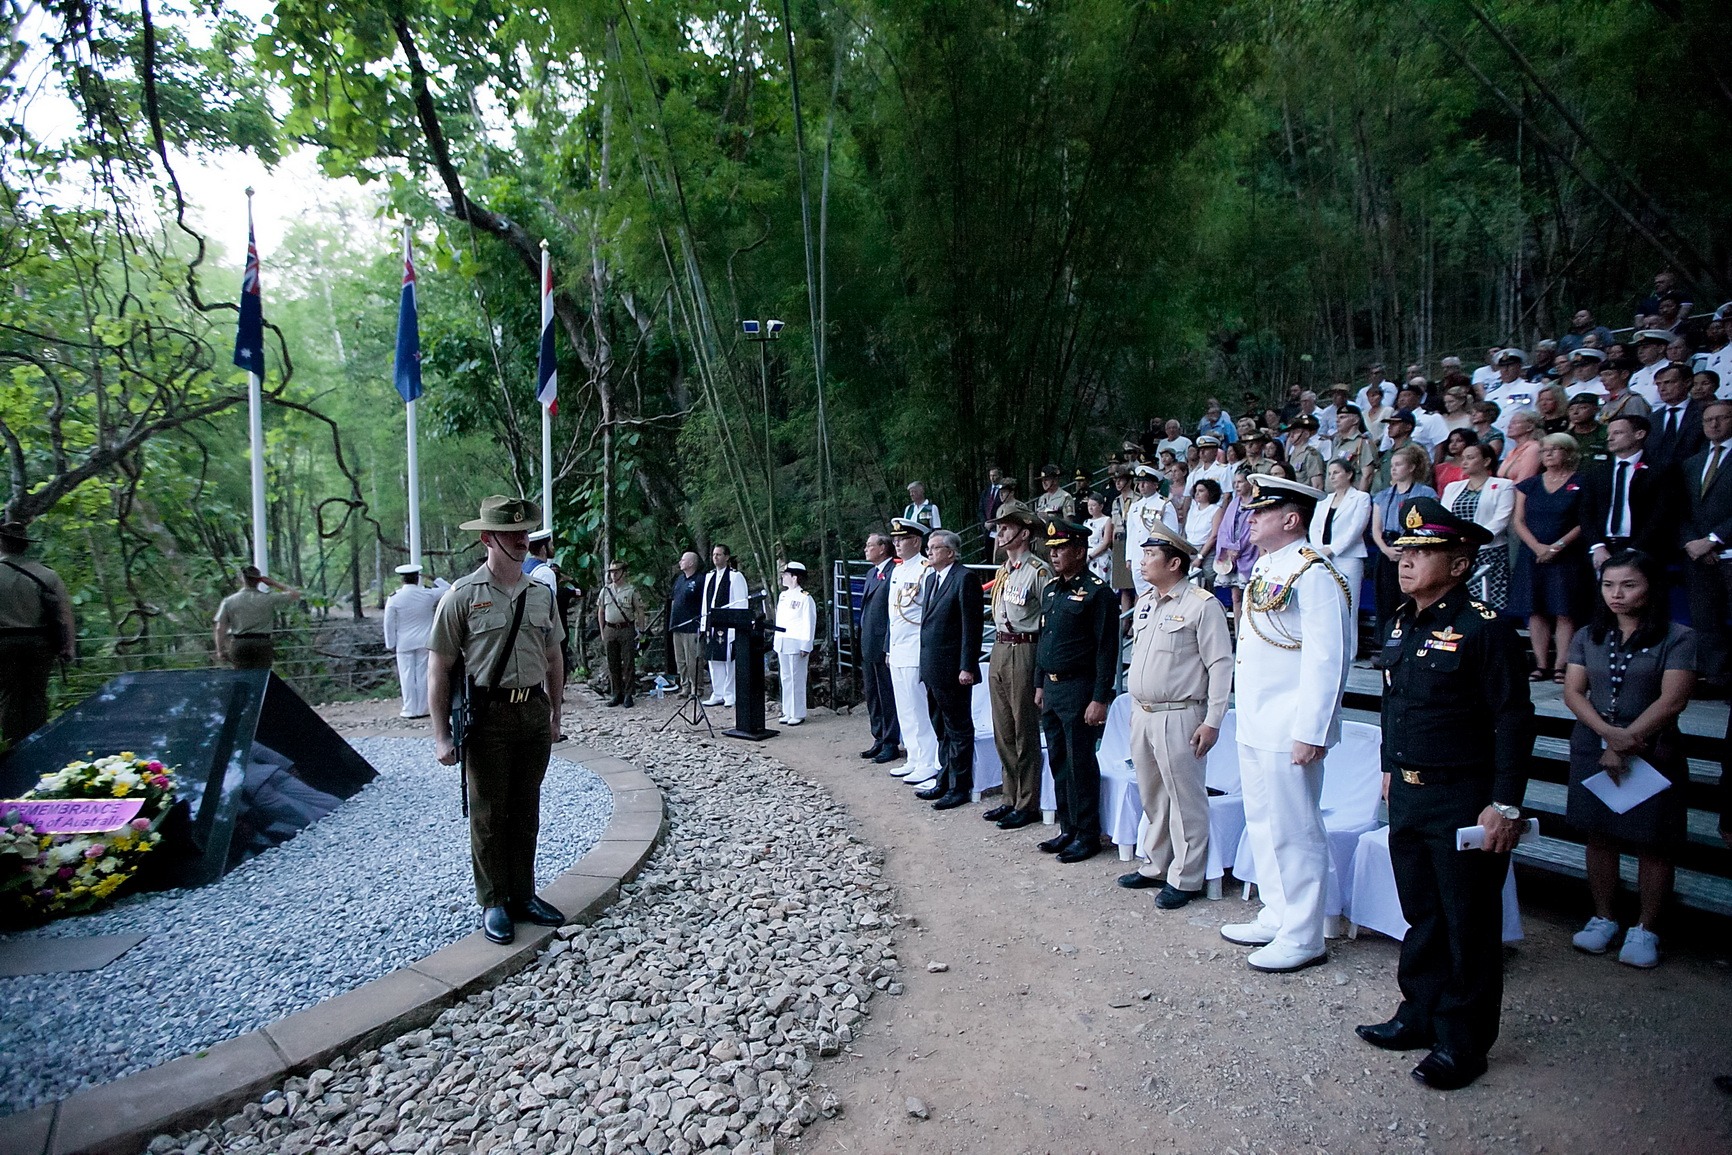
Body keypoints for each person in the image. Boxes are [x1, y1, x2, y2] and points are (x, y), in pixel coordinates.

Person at [1358, 496, 1533, 1092]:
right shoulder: (1402, 622)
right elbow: (1394, 702)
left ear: (1459, 564)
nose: (1406, 562)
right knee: (1422, 914)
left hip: (1464, 796)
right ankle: (1418, 1014)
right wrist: (1388, 764)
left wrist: (1506, 801)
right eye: (1404, 551)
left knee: (1468, 923)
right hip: (1409, 791)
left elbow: (1513, 717)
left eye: (1423, 552)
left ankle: (1463, 1042)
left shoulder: (1485, 628)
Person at [1221, 475, 1353, 973]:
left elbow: (1328, 657)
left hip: (1290, 723)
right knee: (1263, 821)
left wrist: (1312, 730)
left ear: (1291, 519)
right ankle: (1277, 911)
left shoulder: (1314, 572)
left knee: (1296, 828)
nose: (1250, 518)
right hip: (1257, 717)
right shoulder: (1269, 566)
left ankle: (1305, 933)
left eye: (1262, 511)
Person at [428, 496, 566, 946]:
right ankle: (494, 901)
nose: (522, 539)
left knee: (527, 808)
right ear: (488, 538)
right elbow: (439, 668)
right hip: (487, 715)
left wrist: (555, 712)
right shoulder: (462, 597)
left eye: (524, 532)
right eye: (511, 533)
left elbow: (552, 654)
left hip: (532, 711)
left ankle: (523, 895)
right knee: (489, 814)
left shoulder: (540, 593)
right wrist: (441, 736)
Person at [1562, 550, 1696, 968]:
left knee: (1652, 840)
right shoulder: (1589, 634)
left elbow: (1673, 699)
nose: (1616, 595)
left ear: (1650, 587)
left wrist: (1626, 740)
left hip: (1653, 748)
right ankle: (1603, 916)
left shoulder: (1678, 637)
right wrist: (1607, 735)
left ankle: (1646, 926)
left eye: (1628, 585)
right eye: (1608, 585)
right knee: (1598, 834)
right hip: (1593, 745)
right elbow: (1573, 691)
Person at [1117, 522, 1233, 906]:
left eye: (1152, 555)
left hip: (1181, 713)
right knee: (1153, 795)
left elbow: (1220, 665)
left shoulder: (1201, 605)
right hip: (1144, 712)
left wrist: (1213, 719)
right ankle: (1156, 864)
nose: (1144, 561)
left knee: (1185, 799)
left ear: (1175, 563)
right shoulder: (1147, 602)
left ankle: (1187, 877)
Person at [1032, 519, 1120, 862]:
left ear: (1080, 552)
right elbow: (1046, 639)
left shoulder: (1098, 593)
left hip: (1079, 688)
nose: (1054, 554)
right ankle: (1067, 826)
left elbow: (1106, 650)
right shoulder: (1053, 589)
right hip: (1052, 688)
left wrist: (1100, 697)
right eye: (1051, 549)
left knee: (1080, 761)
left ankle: (1087, 833)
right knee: (1057, 760)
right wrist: (1039, 683)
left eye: (1061, 548)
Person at [984, 503, 1053, 829]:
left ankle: (1027, 801)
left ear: (1024, 532)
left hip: (1025, 649)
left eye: (1007, 527)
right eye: (999, 527)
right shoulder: (1003, 571)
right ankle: (1009, 796)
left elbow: (1050, 617)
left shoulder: (1038, 571)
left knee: (1024, 727)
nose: (1001, 533)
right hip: (1000, 647)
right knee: (1003, 729)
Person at [1510, 434, 1591, 683]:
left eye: (1555, 450)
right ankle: (1540, 663)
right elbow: (1518, 521)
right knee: (1535, 610)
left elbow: (1584, 520)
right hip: (1532, 553)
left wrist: (1556, 547)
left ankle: (1561, 665)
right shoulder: (1530, 484)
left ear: (1568, 452)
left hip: (1568, 554)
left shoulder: (1582, 482)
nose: (1548, 454)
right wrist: (1537, 548)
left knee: (1564, 610)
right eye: (1544, 450)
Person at [916, 530, 984, 810]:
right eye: (928, 548)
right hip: (932, 665)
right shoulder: (932, 578)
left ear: (950, 552)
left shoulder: (964, 578)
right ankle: (944, 778)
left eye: (934, 548)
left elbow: (971, 625)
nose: (928, 552)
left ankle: (960, 785)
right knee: (940, 727)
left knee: (958, 728)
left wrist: (967, 665)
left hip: (953, 667)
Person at [0, 520, 75, 747]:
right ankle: (37, 744)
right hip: (40, 642)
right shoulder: (47, 575)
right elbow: (65, 614)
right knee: (36, 695)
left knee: (8, 696)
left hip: (3, 642)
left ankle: (11, 748)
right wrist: (68, 646)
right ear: (26, 546)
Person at [1681, 400, 1732, 692]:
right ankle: (1716, 678)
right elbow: (1682, 508)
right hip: (1698, 555)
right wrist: (1692, 542)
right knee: (1705, 618)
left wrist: (1713, 540)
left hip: (1726, 549)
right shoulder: (1693, 462)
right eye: (1708, 420)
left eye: (1721, 418)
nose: (1713, 425)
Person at [885, 518, 940, 787]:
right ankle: (914, 756)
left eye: (902, 539)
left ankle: (928, 760)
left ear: (916, 541)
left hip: (915, 647)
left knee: (919, 707)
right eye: (894, 539)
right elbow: (893, 614)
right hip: (898, 647)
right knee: (904, 707)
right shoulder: (898, 571)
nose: (896, 543)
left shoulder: (924, 570)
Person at [1584, 414, 1672, 566]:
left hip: (1644, 548)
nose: (1609, 438)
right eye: (1608, 434)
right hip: (1603, 548)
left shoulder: (1660, 469)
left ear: (1639, 434)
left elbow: (1662, 512)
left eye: (1617, 433)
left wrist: (1636, 547)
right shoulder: (1597, 472)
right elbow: (1585, 511)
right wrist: (1597, 546)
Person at [1441, 443, 1516, 610]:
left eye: (1471, 457)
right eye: (1463, 458)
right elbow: (1446, 517)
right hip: (1458, 549)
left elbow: (1501, 519)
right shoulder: (1452, 487)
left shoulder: (1504, 485)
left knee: (1488, 603)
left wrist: (1476, 538)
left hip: (1489, 552)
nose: (1465, 462)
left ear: (1486, 461)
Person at [856, 532, 901, 762]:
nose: (866, 549)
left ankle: (891, 741)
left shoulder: (894, 571)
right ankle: (879, 736)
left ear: (883, 548)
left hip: (883, 641)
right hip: (868, 641)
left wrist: (888, 645)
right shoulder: (871, 573)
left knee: (886, 694)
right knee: (873, 694)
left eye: (869, 545)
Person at [382, 563, 447, 718]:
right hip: (425, 640)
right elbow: (450, 589)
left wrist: (390, 643)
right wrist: (435, 578)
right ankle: (424, 708)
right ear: (417, 578)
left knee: (407, 676)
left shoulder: (394, 597)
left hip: (404, 642)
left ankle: (410, 709)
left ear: (402, 580)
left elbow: (389, 622)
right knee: (424, 674)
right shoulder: (427, 594)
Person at [1310, 460, 1371, 619]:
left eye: (1336, 472)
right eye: (1329, 473)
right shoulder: (1324, 500)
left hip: (1348, 557)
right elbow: (1315, 527)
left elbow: (1355, 529)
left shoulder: (1360, 498)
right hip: (1324, 557)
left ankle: (1350, 645)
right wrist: (1320, 549)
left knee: (1348, 608)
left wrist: (1332, 549)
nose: (1332, 477)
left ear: (1349, 474)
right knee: (1327, 608)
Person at [213, 565, 302, 670]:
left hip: (239, 644)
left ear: (242, 579)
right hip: (262, 643)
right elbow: (296, 594)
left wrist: (220, 649)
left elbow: (220, 627)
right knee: (262, 677)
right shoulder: (268, 598)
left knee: (241, 677)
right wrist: (274, 583)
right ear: (259, 580)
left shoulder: (229, 601)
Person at [699, 544, 750, 708]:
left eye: (719, 554)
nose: (715, 557)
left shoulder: (735, 577)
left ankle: (730, 694)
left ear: (727, 557)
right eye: (714, 554)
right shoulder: (710, 576)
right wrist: (703, 624)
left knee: (729, 660)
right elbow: (706, 602)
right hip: (712, 623)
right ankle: (718, 692)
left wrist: (739, 625)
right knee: (714, 659)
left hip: (728, 626)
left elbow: (741, 602)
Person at [597, 559, 647, 708]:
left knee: (628, 662)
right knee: (612, 663)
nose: (614, 575)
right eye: (612, 572)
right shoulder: (606, 590)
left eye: (617, 572)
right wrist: (602, 631)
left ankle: (628, 694)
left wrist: (641, 629)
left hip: (626, 628)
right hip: (610, 628)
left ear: (623, 573)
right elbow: (600, 611)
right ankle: (616, 693)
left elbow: (640, 611)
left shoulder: (631, 590)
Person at [772, 562, 817, 725]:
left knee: (796, 678)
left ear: (795, 577)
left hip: (796, 642)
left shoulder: (805, 597)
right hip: (783, 641)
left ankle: (798, 712)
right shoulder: (783, 596)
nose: (783, 577)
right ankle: (787, 710)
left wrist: (806, 645)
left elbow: (808, 622)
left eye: (786, 574)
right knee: (785, 678)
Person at [1125, 464, 1178, 599]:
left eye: (1145, 483)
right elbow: (1131, 533)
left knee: (1156, 592)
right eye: (1139, 483)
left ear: (1155, 484)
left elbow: (1171, 534)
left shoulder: (1164, 504)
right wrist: (1129, 557)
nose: (1141, 486)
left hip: (1155, 555)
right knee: (1141, 594)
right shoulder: (1135, 506)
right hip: (1138, 555)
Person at [1646, 362, 1706, 476]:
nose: (1662, 389)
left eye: (1668, 383)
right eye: (1658, 384)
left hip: (1693, 476)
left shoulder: (1704, 413)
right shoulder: (1652, 419)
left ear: (1687, 382)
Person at [1213, 467, 1258, 618]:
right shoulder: (1234, 503)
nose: (1236, 486)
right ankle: (1238, 634)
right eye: (1235, 482)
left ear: (1250, 483)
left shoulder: (1257, 503)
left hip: (1249, 553)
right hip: (1230, 556)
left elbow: (1251, 529)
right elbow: (1224, 528)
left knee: (1249, 598)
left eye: (1240, 482)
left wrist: (1238, 549)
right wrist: (1228, 549)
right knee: (1235, 598)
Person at [666, 551, 705, 697]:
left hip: (692, 625)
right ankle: (685, 686)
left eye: (683, 560)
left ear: (691, 563)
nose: (680, 562)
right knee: (680, 660)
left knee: (693, 659)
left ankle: (697, 687)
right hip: (677, 624)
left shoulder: (700, 580)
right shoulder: (680, 579)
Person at [1183, 479, 1224, 575]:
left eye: (1201, 491)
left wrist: (1200, 557)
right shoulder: (1192, 509)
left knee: (1208, 577)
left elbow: (1214, 535)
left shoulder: (1216, 510)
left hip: (1207, 549)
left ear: (1210, 493)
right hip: (1189, 548)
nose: (1197, 494)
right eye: (1196, 491)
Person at [1332, 407, 1375, 491]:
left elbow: (1367, 475)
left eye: (1342, 417)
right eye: (1337, 418)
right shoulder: (1338, 443)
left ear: (1355, 420)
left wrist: (1359, 499)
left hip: (1351, 497)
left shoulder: (1362, 442)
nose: (1337, 421)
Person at [1497, 409, 1543, 482]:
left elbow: (1524, 482)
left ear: (1529, 427)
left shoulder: (1533, 449)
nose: (1509, 426)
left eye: (1515, 423)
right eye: (1510, 423)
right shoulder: (1512, 452)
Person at [1284, 416, 1325, 489]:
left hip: (1306, 497)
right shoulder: (1293, 454)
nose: (1292, 436)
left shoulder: (1311, 454)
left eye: (1296, 432)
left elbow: (1318, 485)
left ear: (1306, 434)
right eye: (1291, 432)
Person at [1084, 492, 1114, 584]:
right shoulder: (1086, 522)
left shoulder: (1107, 520)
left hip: (1100, 556)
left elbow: (1106, 542)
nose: (1090, 508)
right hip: (1087, 557)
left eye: (1093, 505)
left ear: (1101, 506)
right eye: (1089, 505)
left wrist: (1091, 556)